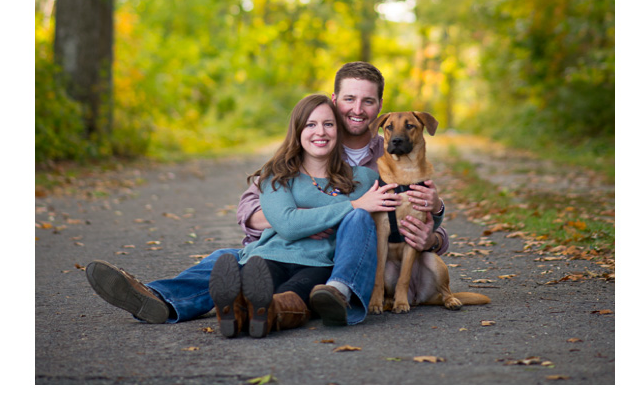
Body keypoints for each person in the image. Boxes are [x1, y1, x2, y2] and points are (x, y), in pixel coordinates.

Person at [85, 61, 451, 326]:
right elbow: (252, 210)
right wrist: (299, 218)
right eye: (349, 99)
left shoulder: (390, 157)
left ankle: (264, 307)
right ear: (336, 100)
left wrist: (435, 221)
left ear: (378, 111)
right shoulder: (310, 143)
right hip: (283, 243)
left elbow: (414, 221)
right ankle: (160, 299)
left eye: (368, 102)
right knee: (235, 256)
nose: (357, 109)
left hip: (340, 259)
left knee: (287, 271)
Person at [207, 93, 394, 337]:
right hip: (270, 255)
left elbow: (398, 213)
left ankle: (260, 314)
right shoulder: (276, 174)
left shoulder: (363, 179)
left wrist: (436, 209)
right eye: (310, 125)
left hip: (320, 261)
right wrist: (353, 205)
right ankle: (237, 311)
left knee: (295, 291)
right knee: (258, 280)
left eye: (328, 124)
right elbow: (287, 224)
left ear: (339, 131)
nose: (321, 132)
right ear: (297, 131)